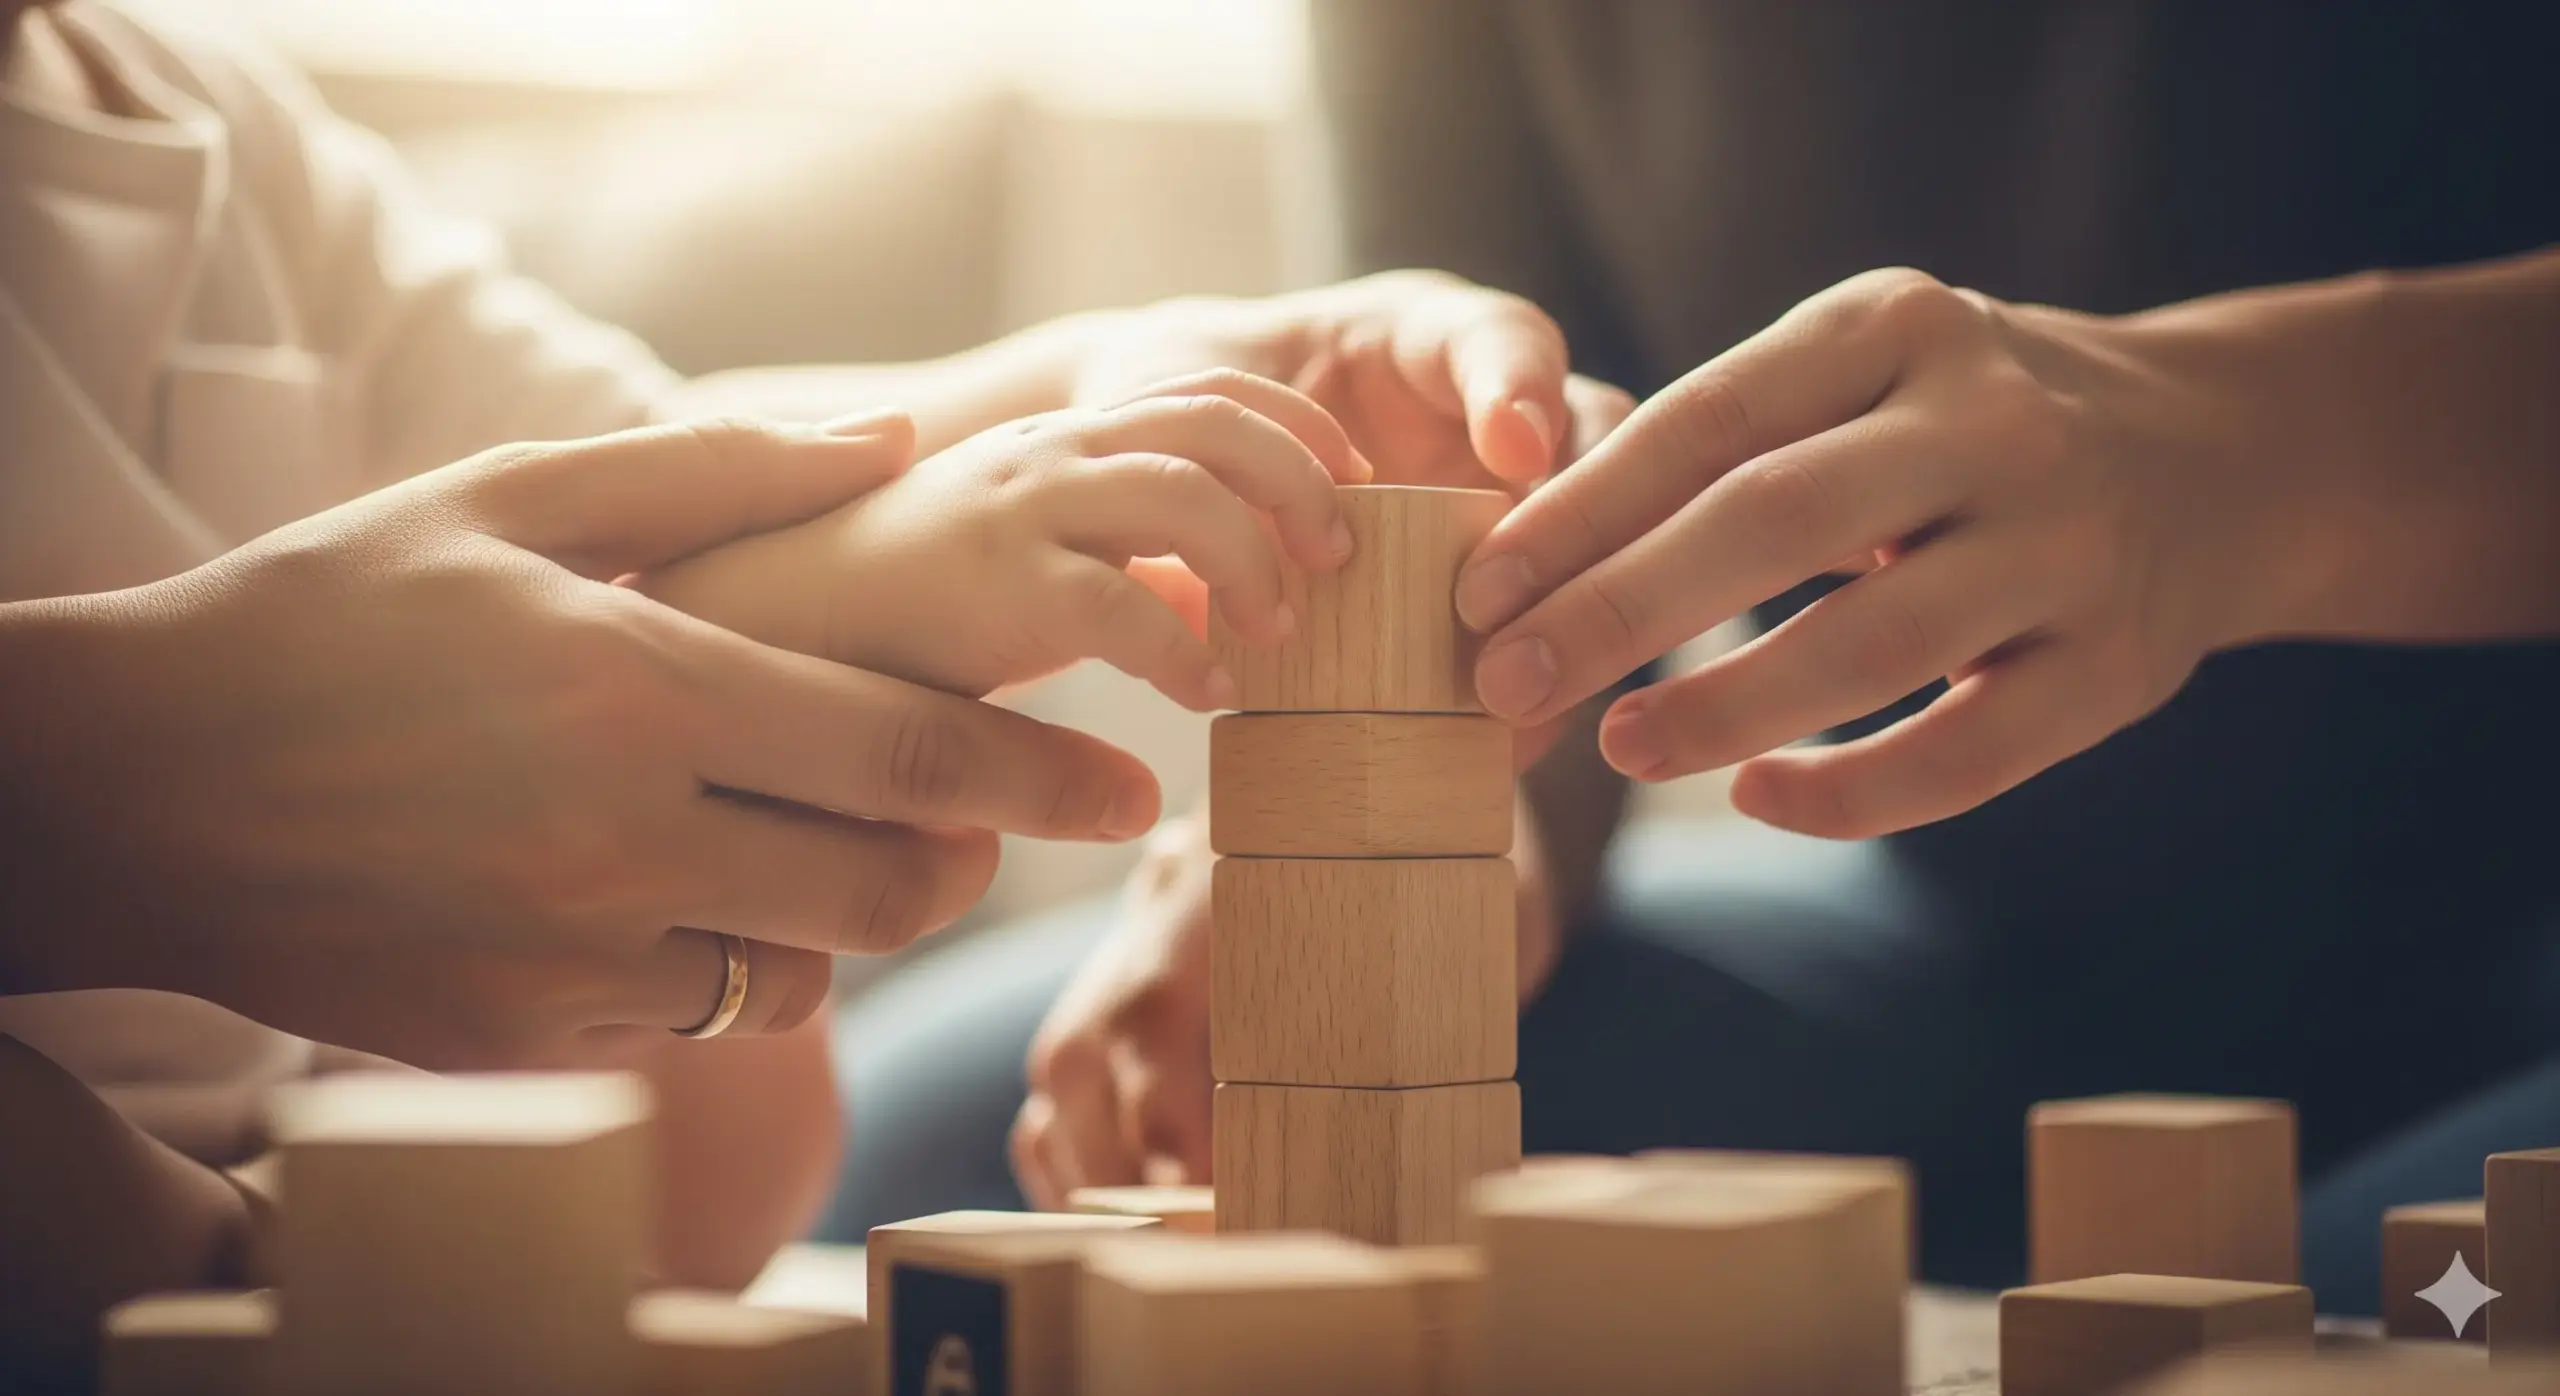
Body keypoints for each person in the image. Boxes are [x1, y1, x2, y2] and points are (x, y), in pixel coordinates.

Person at [829, 0, 2560, 1316]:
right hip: (1982, 931)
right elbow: (1514, 535)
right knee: (949, 1138)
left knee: (2335, 1323)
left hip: (2508, 947)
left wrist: (2250, 450)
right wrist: (1435, 847)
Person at [0, 0, 1607, 1382]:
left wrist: (1123, 378)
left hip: (352, 1187)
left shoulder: (204, 117)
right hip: (168, 1230)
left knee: (748, 1096)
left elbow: (652, 465)